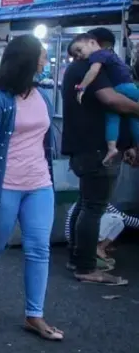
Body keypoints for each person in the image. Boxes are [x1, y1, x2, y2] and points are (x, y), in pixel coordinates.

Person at [0, 35, 62, 341]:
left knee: (39, 248)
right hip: (5, 184)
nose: (45, 61)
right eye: (42, 56)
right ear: (27, 60)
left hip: (39, 184)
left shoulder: (41, 95)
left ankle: (34, 315)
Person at [62, 37, 134, 286]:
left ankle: (78, 258)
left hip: (85, 150)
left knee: (85, 204)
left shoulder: (77, 68)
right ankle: (86, 267)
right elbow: (112, 100)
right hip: (97, 151)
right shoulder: (92, 67)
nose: (81, 55)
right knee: (93, 208)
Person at [68, 33, 139, 165]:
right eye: (75, 55)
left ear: (93, 43)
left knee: (112, 119)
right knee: (133, 118)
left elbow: (93, 71)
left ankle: (112, 148)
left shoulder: (99, 55)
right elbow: (94, 73)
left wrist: (82, 86)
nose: (79, 56)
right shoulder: (103, 56)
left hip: (119, 89)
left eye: (79, 50)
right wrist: (82, 87)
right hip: (127, 88)